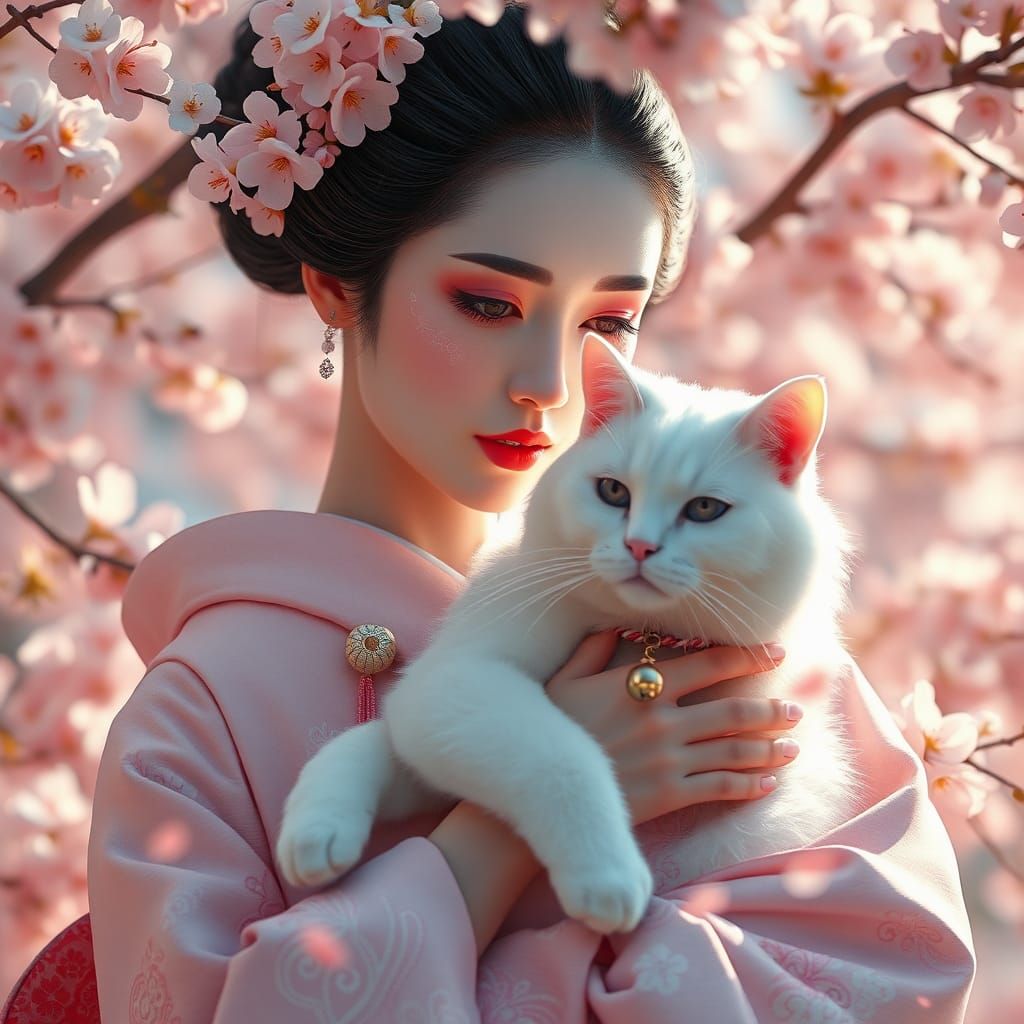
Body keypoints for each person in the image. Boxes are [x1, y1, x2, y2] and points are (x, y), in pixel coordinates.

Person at [85, 3, 976, 1021]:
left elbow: (891, 978)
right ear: (334, 284)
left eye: (608, 321)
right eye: (487, 303)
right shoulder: (204, 711)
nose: (551, 383)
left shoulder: (745, 637)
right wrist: (513, 817)